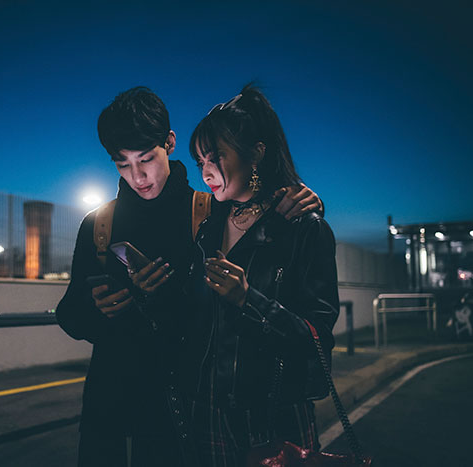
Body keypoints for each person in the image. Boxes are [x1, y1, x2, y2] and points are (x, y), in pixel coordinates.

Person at [55, 86, 323, 467]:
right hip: (108, 409)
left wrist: (305, 199)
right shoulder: (99, 224)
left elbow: (261, 213)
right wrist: (95, 307)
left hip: (182, 411)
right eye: (122, 164)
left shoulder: (211, 210)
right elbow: (69, 315)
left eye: (146, 158)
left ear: (170, 142)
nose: (138, 175)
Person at [180, 84, 339, 466]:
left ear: (256, 154)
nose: (205, 171)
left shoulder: (303, 226)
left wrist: (248, 300)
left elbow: (317, 336)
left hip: (274, 416)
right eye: (200, 159)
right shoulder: (207, 224)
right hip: (210, 410)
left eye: (216, 156)